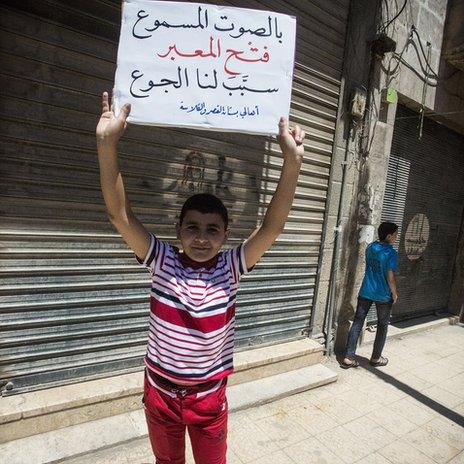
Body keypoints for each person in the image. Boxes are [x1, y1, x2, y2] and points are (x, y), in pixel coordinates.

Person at [95, 91, 305, 464]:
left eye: (212, 230)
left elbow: (272, 227)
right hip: (160, 394)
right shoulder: (161, 260)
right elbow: (119, 215)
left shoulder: (231, 267)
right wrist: (107, 144)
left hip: (209, 398)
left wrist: (292, 162)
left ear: (226, 235)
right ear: (178, 231)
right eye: (192, 227)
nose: (201, 238)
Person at [341, 222, 399, 368]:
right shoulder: (391, 253)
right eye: (395, 234)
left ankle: (348, 357)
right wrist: (395, 293)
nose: (396, 237)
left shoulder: (370, 247)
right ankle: (376, 358)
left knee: (358, 322)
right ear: (389, 235)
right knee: (382, 325)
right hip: (383, 295)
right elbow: (390, 276)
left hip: (366, 291)